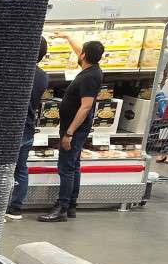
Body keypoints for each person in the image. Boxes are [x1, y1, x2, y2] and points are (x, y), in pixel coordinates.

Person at [38, 40, 104, 222]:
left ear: (84, 55)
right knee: (74, 166)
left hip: (74, 129)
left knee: (66, 168)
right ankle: (71, 205)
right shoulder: (92, 69)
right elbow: (81, 53)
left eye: (81, 51)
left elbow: (86, 107)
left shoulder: (89, 77)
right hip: (75, 128)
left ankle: (62, 208)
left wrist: (69, 133)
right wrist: (67, 37)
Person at [6, 40, 51, 219]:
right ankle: (16, 208)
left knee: (3, 169)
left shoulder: (19, 73)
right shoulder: (43, 76)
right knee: (21, 169)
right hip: (29, 127)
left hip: (12, 129)